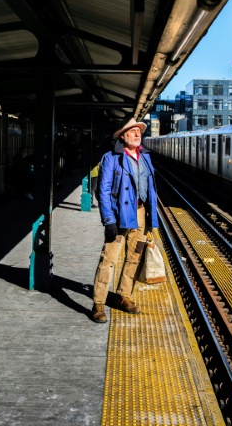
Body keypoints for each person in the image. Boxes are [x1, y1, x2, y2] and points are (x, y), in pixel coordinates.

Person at [91, 118, 158, 323]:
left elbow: (151, 189)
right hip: (119, 215)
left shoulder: (145, 157)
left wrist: (151, 217)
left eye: (139, 131)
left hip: (139, 213)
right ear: (123, 136)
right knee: (109, 259)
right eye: (133, 131)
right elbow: (102, 191)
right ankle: (99, 304)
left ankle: (123, 296)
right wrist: (108, 220)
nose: (138, 134)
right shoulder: (111, 158)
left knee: (134, 257)